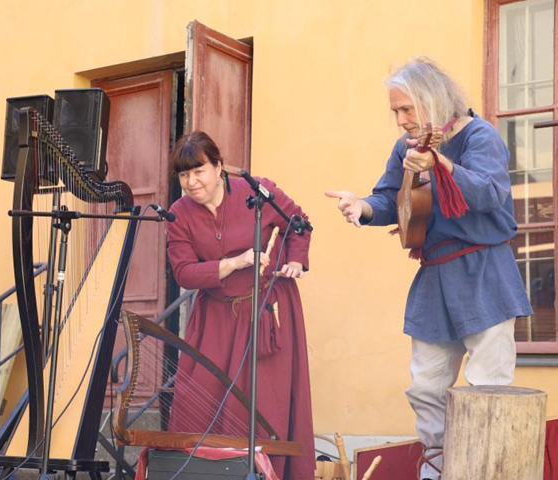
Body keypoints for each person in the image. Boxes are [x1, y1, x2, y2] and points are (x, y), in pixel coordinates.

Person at [325, 57, 532, 480]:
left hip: (484, 272)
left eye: (406, 109)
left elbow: (489, 193)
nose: (400, 120)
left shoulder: (480, 136)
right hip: (435, 276)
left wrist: (441, 163)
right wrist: (362, 207)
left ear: (433, 100)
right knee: (426, 387)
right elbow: (390, 198)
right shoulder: (406, 148)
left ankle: (482, 472)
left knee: (487, 387)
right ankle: (436, 469)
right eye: (395, 111)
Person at [165, 131, 314, 480]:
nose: (191, 182)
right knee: (197, 399)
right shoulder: (178, 214)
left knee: (265, 405)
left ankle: (266, 474)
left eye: (199, 171)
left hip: (266, 311)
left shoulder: (257, 191)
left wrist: (295, 260)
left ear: (218, 167)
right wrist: (234, 263)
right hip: (215, 317)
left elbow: (298, 224)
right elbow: (184, 272)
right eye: (184, 175)